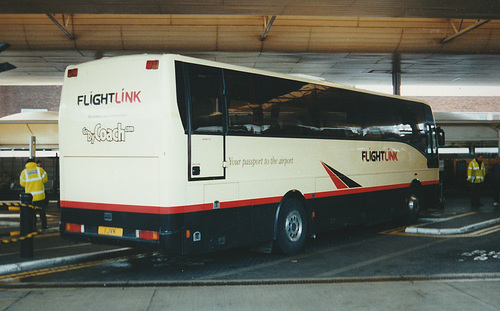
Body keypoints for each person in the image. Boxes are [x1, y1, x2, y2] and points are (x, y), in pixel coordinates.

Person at [19, 158, 48, 229]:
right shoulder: (40, 170)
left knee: (32, 213)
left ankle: (33, 227)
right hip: (40, 196)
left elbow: (22, 183)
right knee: (42, 212)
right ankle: (44, 226)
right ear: (34, 163)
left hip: (30, 197)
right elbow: (45, 180)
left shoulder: (24, 172)